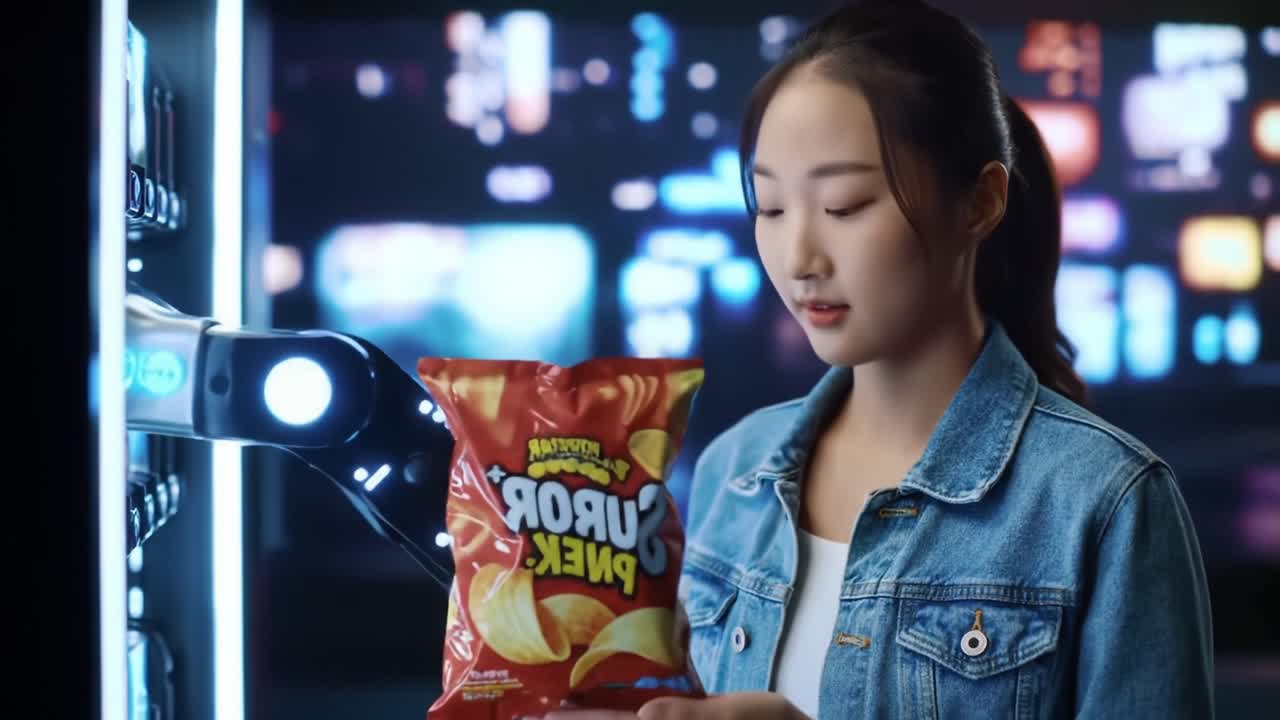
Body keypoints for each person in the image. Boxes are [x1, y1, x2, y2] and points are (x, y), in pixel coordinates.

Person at [542, 0, 1215, 717]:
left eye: (844, 205)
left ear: (981, 201)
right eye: (769, 208)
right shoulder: (733, 471)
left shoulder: (1105, 503)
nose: (799, 258)